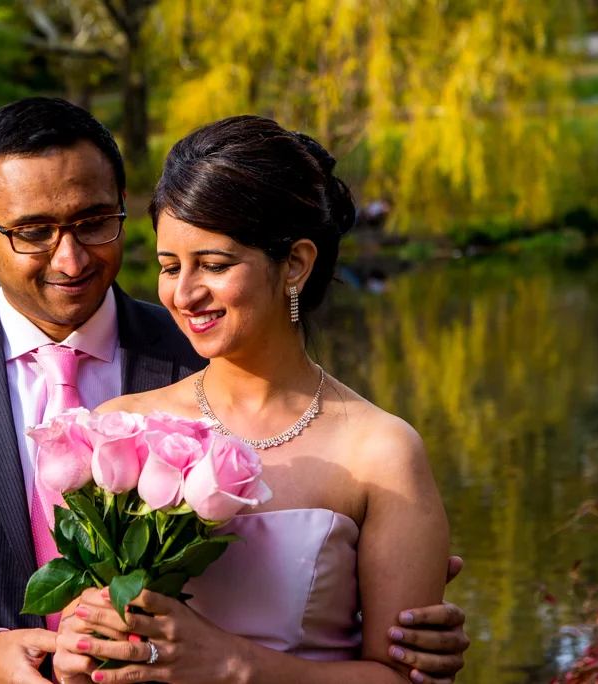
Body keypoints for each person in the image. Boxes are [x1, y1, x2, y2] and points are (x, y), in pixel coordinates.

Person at [0, 98, 469, 684]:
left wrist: (381, 578)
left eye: (95, 222)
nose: (71, 259)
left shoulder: (217, 345)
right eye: (35, 232)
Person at [52, 115, 459, 684]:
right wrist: (79, 654)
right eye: (170, 267)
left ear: (295, 263)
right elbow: (95, 633)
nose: (185, 293)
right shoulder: (121, 430)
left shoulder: (382, 453)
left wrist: (233, 664)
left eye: (214, 265)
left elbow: (408, 679)